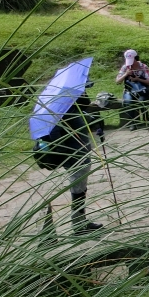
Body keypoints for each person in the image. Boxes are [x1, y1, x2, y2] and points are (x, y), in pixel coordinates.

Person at [40, 88, 104, 235]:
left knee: (81, 190)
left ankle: (81, 222)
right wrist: (67, 151)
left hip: (81, 156)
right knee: (78, 191)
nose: (84, 93)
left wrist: (97, 124)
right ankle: (79, 225)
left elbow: (83, 120)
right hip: (75, 158)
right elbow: (55, 134)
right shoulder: (62, 111)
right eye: (81, 91)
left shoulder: (73, 108)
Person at [115, 49, 149, 130]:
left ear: (136, 58)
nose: (131, 64)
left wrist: (138, 79)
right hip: (129, 91)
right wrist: (126, 74)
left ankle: (146, 119)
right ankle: (132, 122)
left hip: (142, 90)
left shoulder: (143, 67)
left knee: (142, 101)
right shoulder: (125, 67)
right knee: (128, 102)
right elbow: (117, 81)